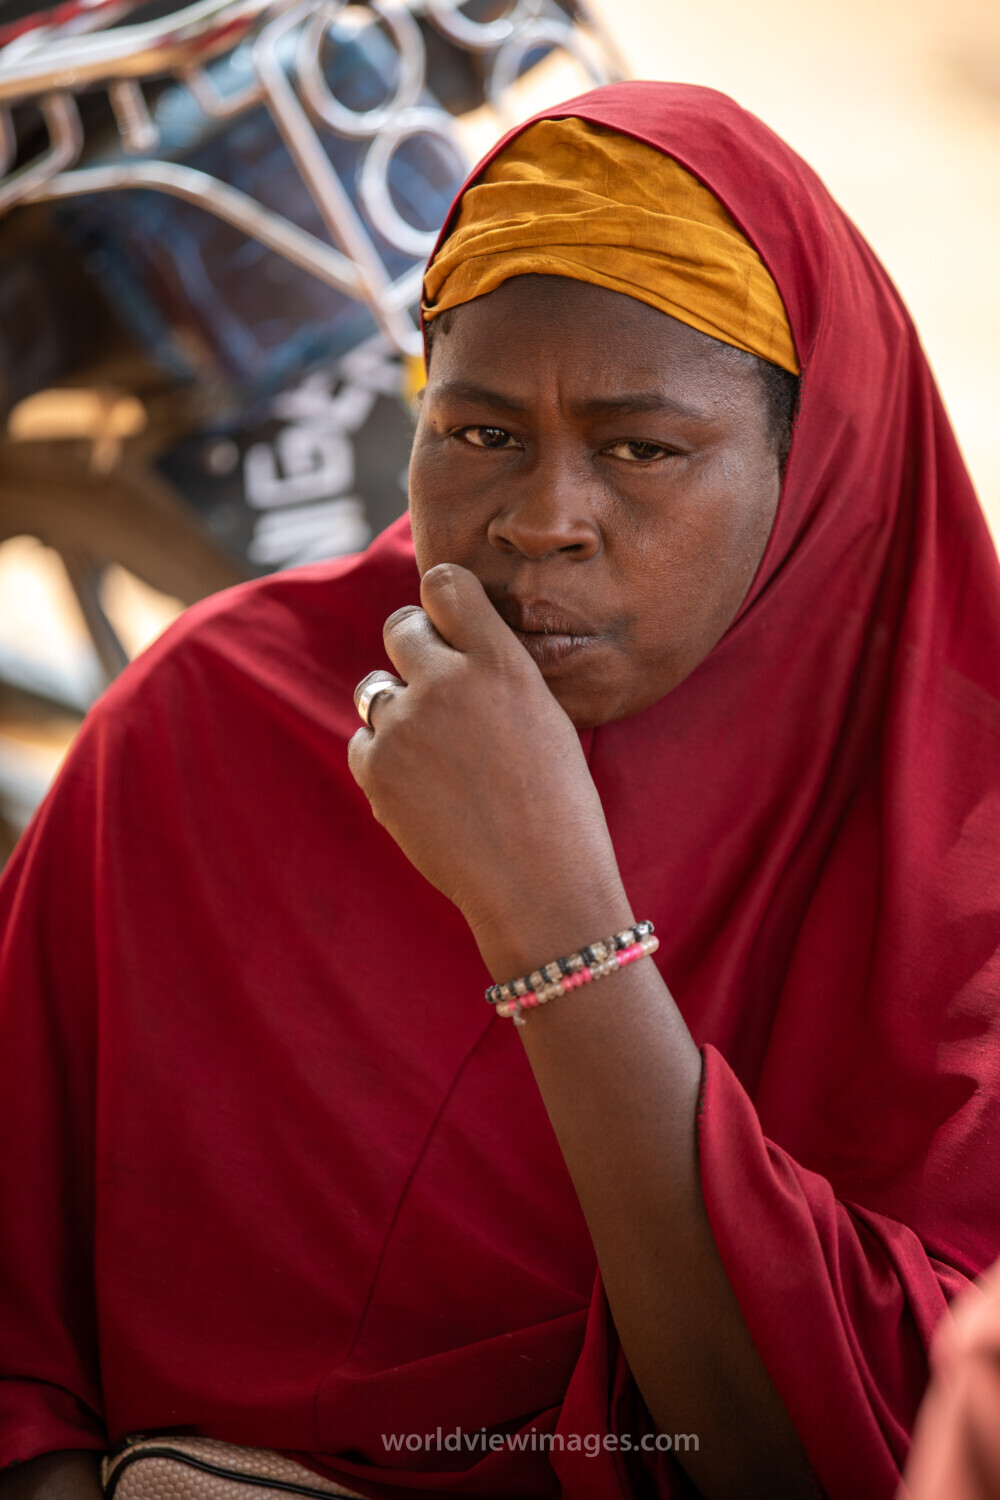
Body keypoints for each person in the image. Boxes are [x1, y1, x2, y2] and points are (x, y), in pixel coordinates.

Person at [2, 79, 999, 1500]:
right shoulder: (214, 724)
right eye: (480, 435)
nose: (541, 521)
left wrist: (554, 924)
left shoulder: (959, 853)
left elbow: (855, 1445)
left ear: (810, 461)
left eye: (642, 449)